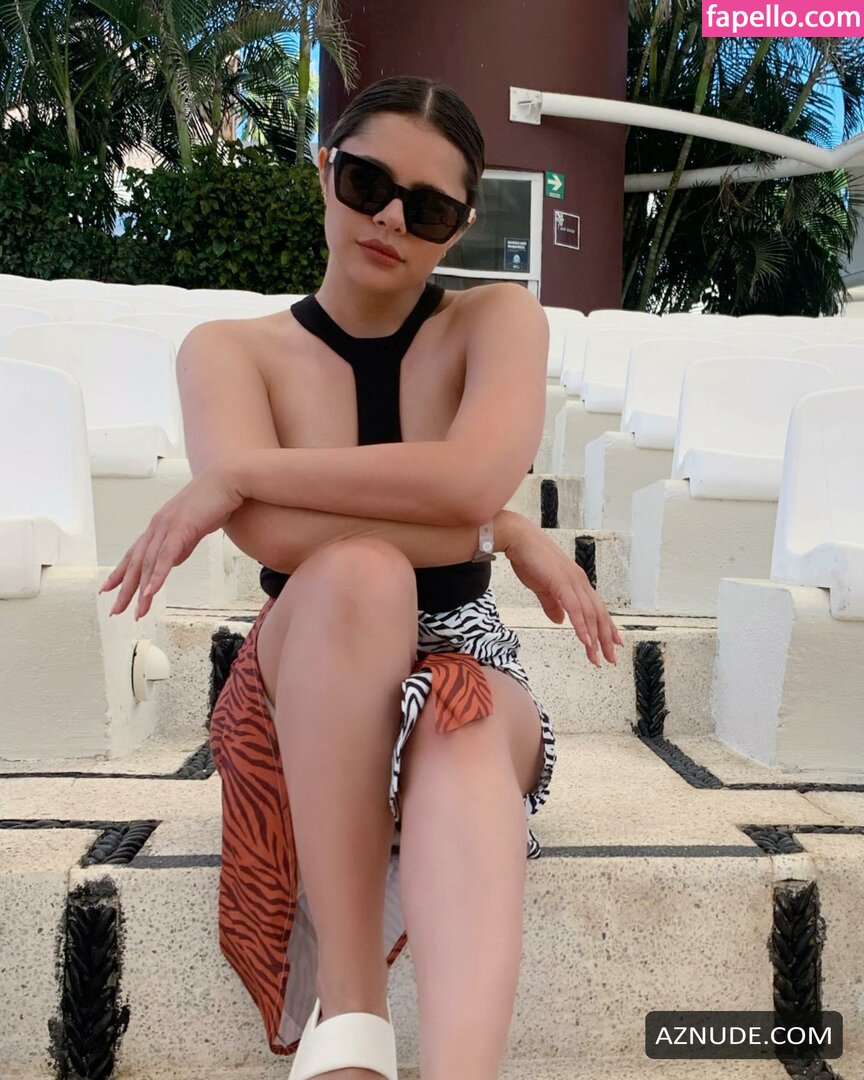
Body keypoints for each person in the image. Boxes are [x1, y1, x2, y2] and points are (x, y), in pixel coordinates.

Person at [100, 75, 622, 1080]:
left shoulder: (497, 321)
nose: (389, 219)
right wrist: (483, 525)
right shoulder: (229, 350)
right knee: (360, 576)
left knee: (458, 717)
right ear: (325, 172)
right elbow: (276, 540)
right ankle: (352, 1013)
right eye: (367, 183)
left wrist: (244, 473)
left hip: (463, 648)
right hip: (310, 665)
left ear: (459, 227)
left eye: (427, 209)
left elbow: (469, 476)